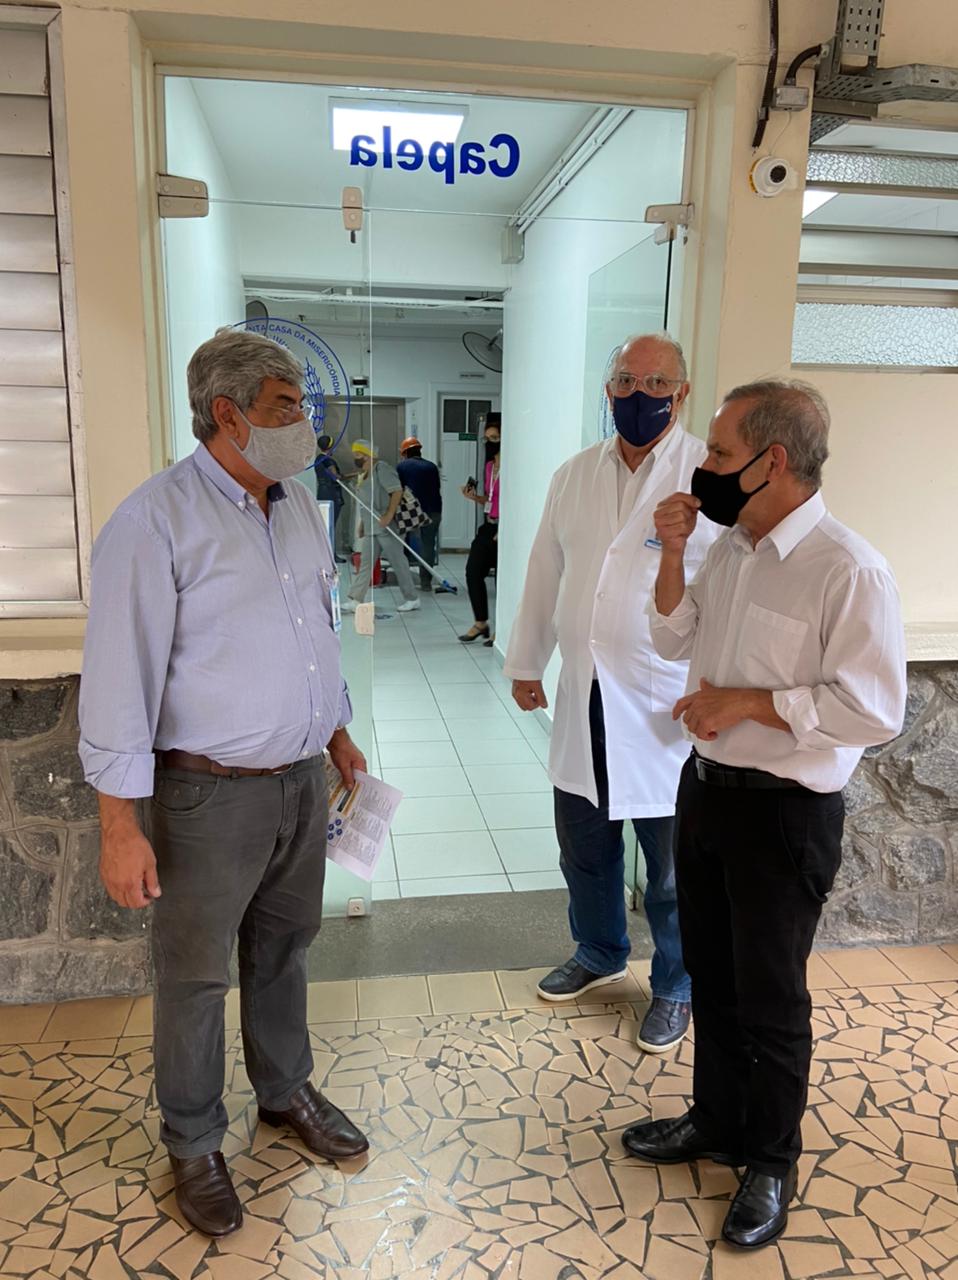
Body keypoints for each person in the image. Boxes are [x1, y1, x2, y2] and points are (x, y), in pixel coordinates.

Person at [78, 328, 370, 1238]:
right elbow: (119, 679)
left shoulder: (298, 507)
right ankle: (194, 1139)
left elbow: (314, 631)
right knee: (196, 976)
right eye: (287, 407)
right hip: (206, 797)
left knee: (285, 949)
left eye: (302, 406)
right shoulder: (153, 521)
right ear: (228, 415)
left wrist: (337, 733)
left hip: (299, 784)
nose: (304, 423)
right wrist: (118, 826)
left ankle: (284, 1092)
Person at [622, 379, 906, 1249]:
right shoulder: (733, 548)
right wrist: (673, 552)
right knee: (712, 974)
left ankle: (771, 1161)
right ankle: (715, 1119)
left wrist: (748, 703)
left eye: (718, 451)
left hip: (785, 815)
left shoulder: (848, 568)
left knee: (772, 997)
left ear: (771, 461)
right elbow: (672, 636)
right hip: (706, 792)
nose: (704, 465)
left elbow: (874, 709)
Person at [504, 333, 719, 1053]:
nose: (639, 395)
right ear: (608, 390)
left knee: (670, 866)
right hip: (584, 692)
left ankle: (677, 984)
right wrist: (526, 661)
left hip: (665, 706)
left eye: (657, 384)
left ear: (681, 393)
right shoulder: (574, 474)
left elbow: (729, 587)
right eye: (626, 381)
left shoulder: (707, 476)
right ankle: (598, 952)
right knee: (584, 845)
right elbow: (545, 570)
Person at [344, 438, 420, 613]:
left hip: (387, 526)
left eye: (357, 454)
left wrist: (388, 515)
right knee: (366, 563)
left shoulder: (382, 469)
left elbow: (396, 491)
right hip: (372, 526)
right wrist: (363, 524)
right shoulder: (364, 474)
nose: (355, 458)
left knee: (398, 562)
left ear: (367, 455)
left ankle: (412, 598)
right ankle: (355, 599)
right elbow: (367, 504)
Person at [459, 414, 501, 644]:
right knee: (473, 572)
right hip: (488, 525)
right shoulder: (489, 467)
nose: (490, 443)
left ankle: (501, 629)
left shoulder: (513, 467)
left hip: (505, 529)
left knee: (502, 581)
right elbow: (491, 500)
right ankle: (481, 622)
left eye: (494, 438)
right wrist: (474, 497)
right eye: (487, 439)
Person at [397, 436, 443, 591]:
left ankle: (404, 580)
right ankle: (425, 582)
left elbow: (398, 490)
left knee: (402, 543)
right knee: (428, 545)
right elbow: (436, 487)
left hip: (411, 512)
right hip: (434, 510)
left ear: (405, 453)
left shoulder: (402, 467)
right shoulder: (431, 466)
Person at [313, 432, 346, 562]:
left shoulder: (318, 459)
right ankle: (332, 556)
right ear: (330, 447)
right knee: (331, 525)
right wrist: (355, 474)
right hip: (332, 494)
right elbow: (335, 476)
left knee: (325, 525)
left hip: (322, 493)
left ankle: (325, 555)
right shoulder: (328, 460)